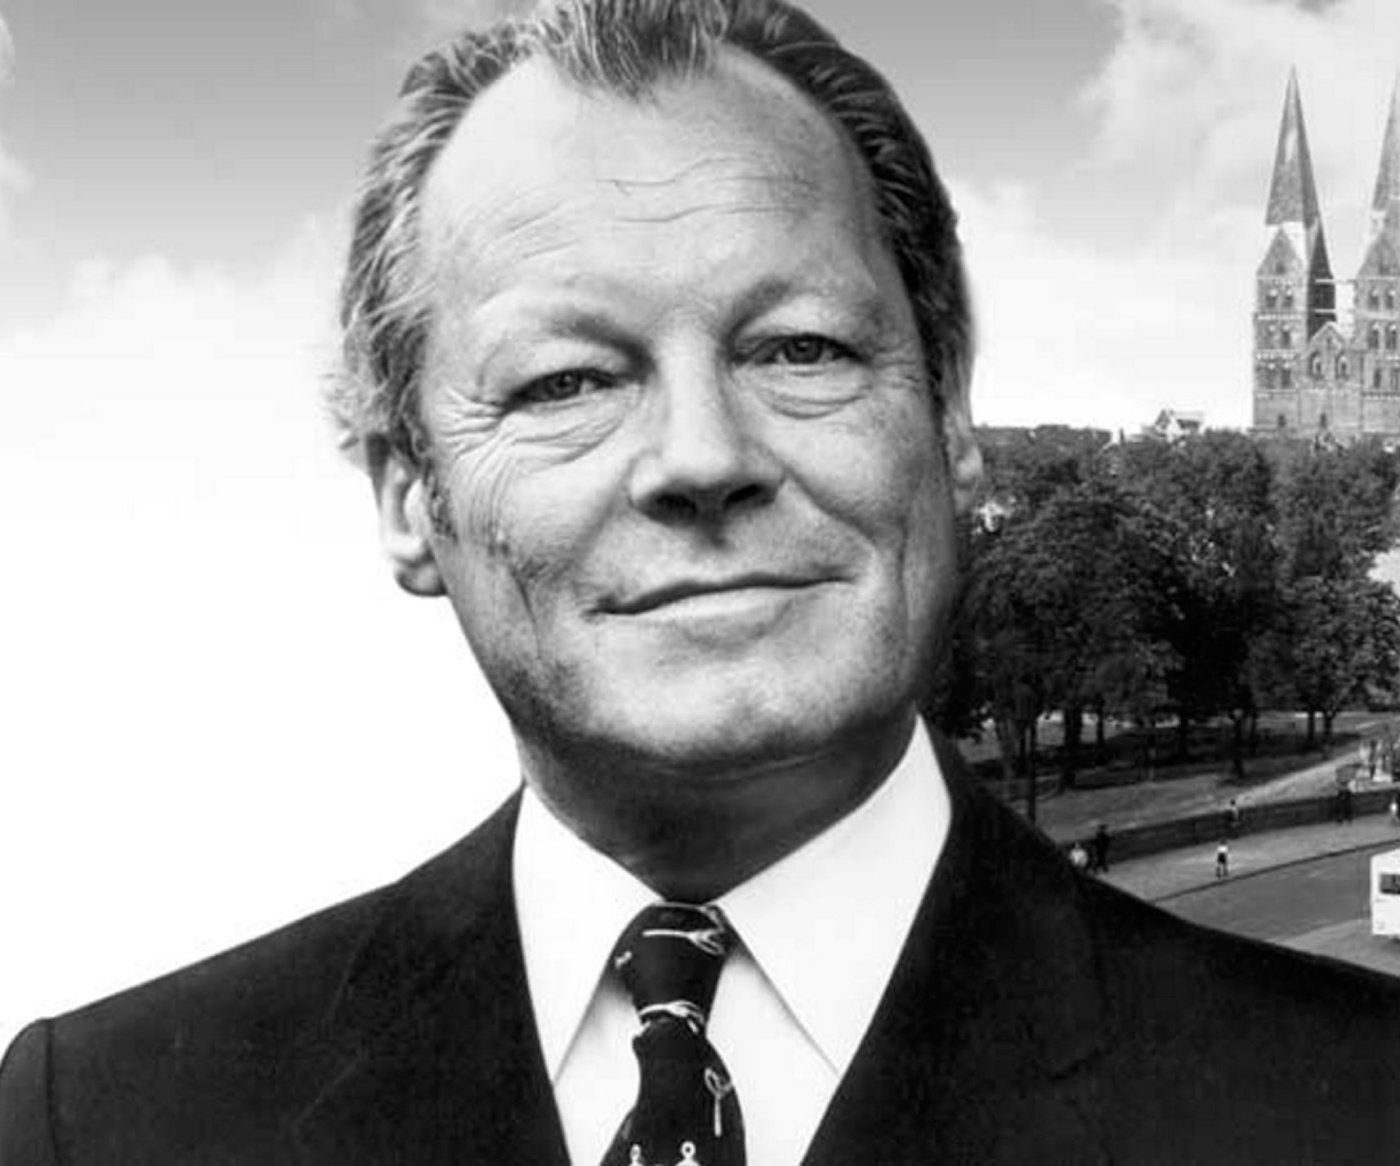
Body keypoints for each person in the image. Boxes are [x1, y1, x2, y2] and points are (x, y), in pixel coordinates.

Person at [3, 1, 1399, 1162]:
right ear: (408, 497)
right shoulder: (97, 1122)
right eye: (565, 380)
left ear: (951, 421)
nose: (701, 457)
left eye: (799, 350)